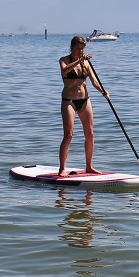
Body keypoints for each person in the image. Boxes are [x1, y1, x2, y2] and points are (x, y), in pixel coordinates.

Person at [58, 35, 109, 175]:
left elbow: (94, 81)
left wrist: (103, 92)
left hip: (84, 100)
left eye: (82, 49)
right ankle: (62, 168)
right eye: (78, 49)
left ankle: (89, 166)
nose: (80, 51)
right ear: (72, 48)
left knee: (90, 134)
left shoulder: (86, 63)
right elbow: (65, 71)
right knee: (68, 135)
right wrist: (79, 60)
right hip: (69, 101)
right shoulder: (64, 60)